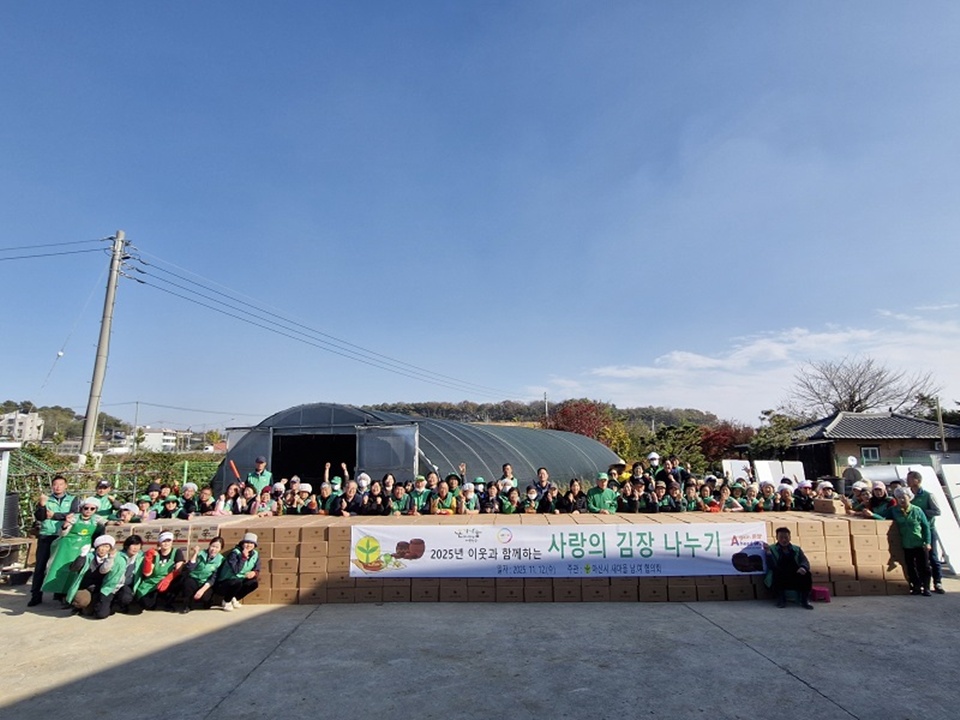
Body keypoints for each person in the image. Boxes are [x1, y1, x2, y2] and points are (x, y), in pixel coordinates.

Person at [41, 496, 103, 606]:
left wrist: (117, 522)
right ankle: (60, 595)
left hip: (83, 547)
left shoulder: (97, 519)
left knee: (77, 571)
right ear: (82, 508)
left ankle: (71, 595)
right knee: (61, 570)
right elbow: (62, 533)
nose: (88, 511)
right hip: (67, 546)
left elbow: (108, 523)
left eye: (92, 509)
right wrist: (66, 524)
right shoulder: (74, 518)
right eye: (86, 508)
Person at [29, 475, 79, 607]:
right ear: (52, 486)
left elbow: (73, 515)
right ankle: (36, 595)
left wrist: (54, 516)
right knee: (40, 567)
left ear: (66, 486)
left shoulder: (73, 499)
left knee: (61, 566)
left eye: (61, 484)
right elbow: (40, 517)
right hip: (47, 535)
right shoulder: (46, 499)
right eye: (55, 484)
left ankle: (61, 594)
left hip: (64, 536)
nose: (58, 487)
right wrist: (42, 505)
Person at [882, 487, 933, 596]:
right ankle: (917, 586)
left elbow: (925, 527)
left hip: (919, 543)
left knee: (924, 566)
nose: (901, 500)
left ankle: (927, 587)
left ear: (909, 498)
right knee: (910, 567)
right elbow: (882, 517)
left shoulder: (917, 510)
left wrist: (927, 542)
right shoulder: (894, 510)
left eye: (903, 497)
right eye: (899, 498)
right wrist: (871, 515)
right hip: (906, 544)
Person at [66, 534, 126, 619]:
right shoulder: (89, 556)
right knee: (81, 601)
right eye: (100, 546)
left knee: (102, 612)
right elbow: (73, 568)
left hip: (104, 588)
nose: (103, 549)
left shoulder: (115, 559)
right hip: (88, 587)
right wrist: (82, 556)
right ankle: (80, 607)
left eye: (106, 547)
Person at [905, 471, 945, 594]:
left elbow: (937, 511)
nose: (907, 481)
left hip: (928, 529)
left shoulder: (928, 495)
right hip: (914, 531)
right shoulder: (909, 496)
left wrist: (921, 512)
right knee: (919, 559)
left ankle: (937, 582)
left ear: (917, 480)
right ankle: (920, 582)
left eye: (909, 478)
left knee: (932, 556)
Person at [764, 527, 814, 609]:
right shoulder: (771, 549)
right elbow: (771, 566)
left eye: (786, 538)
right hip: (779, 576)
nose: (784, 540)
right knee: (777, 573)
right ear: (777, 538)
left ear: (790, 538)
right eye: (781, 538)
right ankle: (781, 600)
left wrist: (803, 567)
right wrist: (768, 553)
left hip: (794, 574)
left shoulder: (796, 549)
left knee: (807, 575)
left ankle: (804, 601)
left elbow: (804, 561)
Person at [135, 531, 185, 611]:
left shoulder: (177, 552)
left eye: (168, 541)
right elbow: (147, 574)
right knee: (146, 604)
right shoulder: (155, 554)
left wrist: (168, 579)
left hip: (169, 581)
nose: (166, 543)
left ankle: (168, 603)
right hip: (153, 582)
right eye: (164, 541)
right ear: (159, 542)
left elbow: (179, 569)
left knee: (180, 579)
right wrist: (148, 558)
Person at [215, 533, 261, 611]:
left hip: (241, 579)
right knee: (236, 583)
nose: (249, 545)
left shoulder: (255, 554)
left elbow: (257, 567)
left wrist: (254, 573)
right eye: (246, 542)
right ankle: (226, 601)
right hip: (226, 582)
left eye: (251, 543)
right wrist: (243, 558)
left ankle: (234, 598)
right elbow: (236, 570)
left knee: (253, 583)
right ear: (242, 543)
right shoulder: (234, 553)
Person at [180, 537, 225, 613]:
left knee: (206, 598)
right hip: (194, 578)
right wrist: (195, 553)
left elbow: (214, 578)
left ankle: (207, 602)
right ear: (209, 545)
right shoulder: (201, 554)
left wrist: (202, 590)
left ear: (220, 549)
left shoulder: (221, 560)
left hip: (206, 582)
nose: (213, 549)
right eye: (212, 546)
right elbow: (190, 567)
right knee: (188, 583)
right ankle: (187, 605)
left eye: (217, 547)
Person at [112, 534, 144, 615]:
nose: (135, 548)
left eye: (138, 545)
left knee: (134, 607)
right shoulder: (117, 555)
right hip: (113, 585)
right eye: (133, 545)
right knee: (103, 612)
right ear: (127, 546)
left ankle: (121, 604)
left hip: (126, 586)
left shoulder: (141, 556)